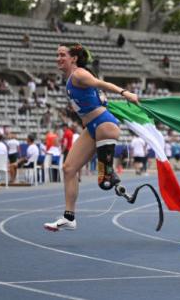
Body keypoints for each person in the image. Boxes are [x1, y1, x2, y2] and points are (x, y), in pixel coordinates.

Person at [44, 43, 140, 231]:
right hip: (92, 128)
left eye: (62, 55)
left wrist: (124, 92)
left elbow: (100, 84)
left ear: (74, 58)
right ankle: (69, 217)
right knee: (69, 168)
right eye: (57, 55)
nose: (58, 58)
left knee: (104, 182)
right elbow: (94, 96)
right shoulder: (71, 79)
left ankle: (112, 177)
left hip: (105, 125)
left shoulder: (79, 74)